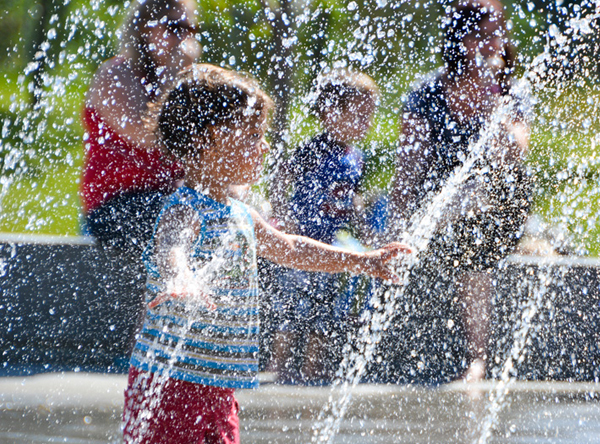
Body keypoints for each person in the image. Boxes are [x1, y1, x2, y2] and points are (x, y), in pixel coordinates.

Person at [121, 64, 411, 443]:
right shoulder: (186, 206)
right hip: (172, 386)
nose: (265, 146)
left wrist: (363, 261)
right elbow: (172, 245)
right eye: (254, 135)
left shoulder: (241, 213)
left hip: (220, 386)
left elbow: (291, 247)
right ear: (211, 140)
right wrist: (181, 277)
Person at [386, 0, 532, 382]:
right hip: (441, 203)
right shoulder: (426, 94)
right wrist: (396, 222)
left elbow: (514, 153)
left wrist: (492, 107)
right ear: (459, 38)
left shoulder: (508, 91)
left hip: (495, 200)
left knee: (474, 226)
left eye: (497, 32)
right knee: (455, 212)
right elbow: (409, 169)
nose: (492, 42)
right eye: (481, 34)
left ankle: (477, 358)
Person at [79, 0, 200, 355]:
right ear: (147, 29)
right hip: (117, 203)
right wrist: (178, 78)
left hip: (169, 198)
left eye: (192, 30)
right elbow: (147, 134)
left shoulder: (182, 78)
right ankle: (147, 348)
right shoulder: (116, 76)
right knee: (179, 218)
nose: (185, 41)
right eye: (176, 29)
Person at [268, 69, 379, 383]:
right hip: (300, 241)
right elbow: (280, 176)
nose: (367, 123)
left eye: (370, 116)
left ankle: (312, 365)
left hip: (329, 243)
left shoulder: (357, 157)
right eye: (360, 115)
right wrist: (282, 214)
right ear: (331, 113)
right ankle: (280, 363)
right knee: (291, 305)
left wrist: (365, 227)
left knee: (325, 305)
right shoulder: (313, 149)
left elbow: (351, 196)